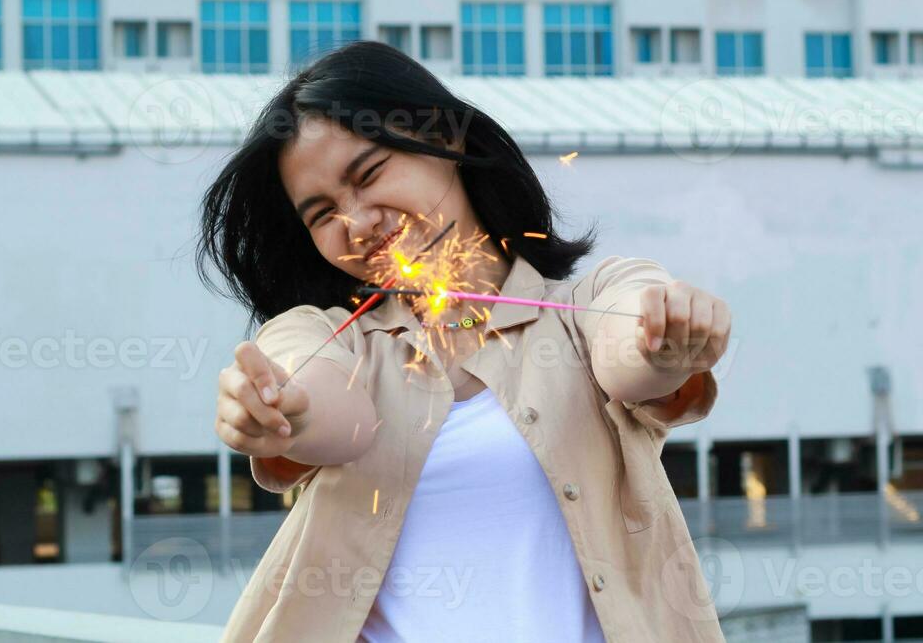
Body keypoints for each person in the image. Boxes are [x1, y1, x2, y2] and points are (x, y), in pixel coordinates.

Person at [198, 41, 732, 642]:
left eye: (370, 173)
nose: (358, 222)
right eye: (322, 214)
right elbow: (327, 407)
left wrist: (662, 338)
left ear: (446, 140)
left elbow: (630, 343)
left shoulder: (582, 309)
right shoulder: (328, 335)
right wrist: (286, 409)